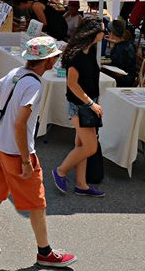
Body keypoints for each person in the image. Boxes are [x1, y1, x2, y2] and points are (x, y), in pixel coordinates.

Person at [0, 36, 77, 268]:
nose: (56, 60)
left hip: (1, 147)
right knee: (37, 203)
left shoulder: (16, 73)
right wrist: (26, 160)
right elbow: (21, 124)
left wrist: (5, 111)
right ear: (47, 61)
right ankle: (44, 252)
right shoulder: (34, 85)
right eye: (54, 57)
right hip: (17, 152)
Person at [52, 17, 107, 198]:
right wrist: (91, 103)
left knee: (82, 144)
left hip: (86, 105)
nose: (104, 33)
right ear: (93, 32)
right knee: (90, 147)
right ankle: (60, 170)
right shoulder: (77, 55)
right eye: (102, 30)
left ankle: (81, 185)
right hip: (80, 106)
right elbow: (72, 84)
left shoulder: (89, 50)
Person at [105, 19, 137, 86]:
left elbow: (120, 68)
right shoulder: (125, 44)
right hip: (128, 77)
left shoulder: (122, 48)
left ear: (112, 33)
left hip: (124, 80)